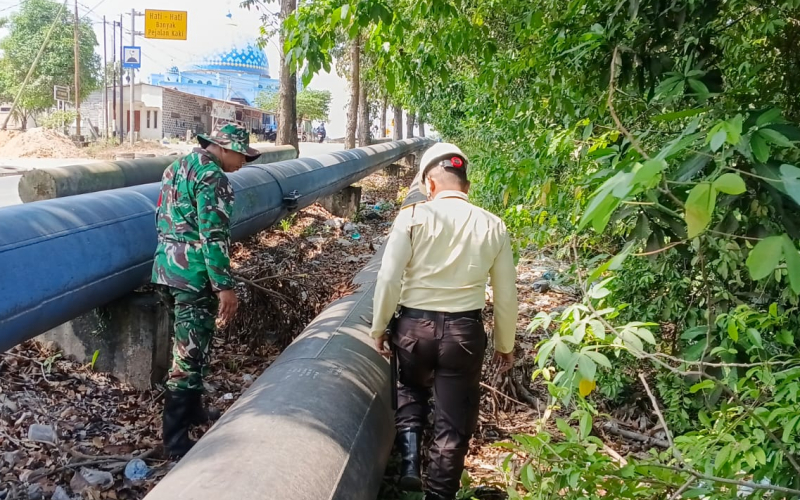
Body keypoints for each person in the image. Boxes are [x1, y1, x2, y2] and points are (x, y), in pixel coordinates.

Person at [370, 143, 518, 500]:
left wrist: (378, 328)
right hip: (463, 335)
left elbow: (388, 279)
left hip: (413, 329)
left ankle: (409, 465)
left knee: (410, 389)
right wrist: (504, 345)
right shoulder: (493, 225)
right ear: (466, 186)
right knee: (453, 424)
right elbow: (506, 295)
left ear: (430, 185)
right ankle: (439, 495)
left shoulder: (412, 217)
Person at [152, 122, 262, 458]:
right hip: (195, 275)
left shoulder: (176, 167)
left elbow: (162, 217)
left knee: (193, 345)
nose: (243, 163)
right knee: (188, 354)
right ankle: (174, 440)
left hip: (166, 268)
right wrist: (223, 286)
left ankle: (194, 411)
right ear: (224, 148)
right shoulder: (214, 178)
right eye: (241, 156)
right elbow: (213, 236)